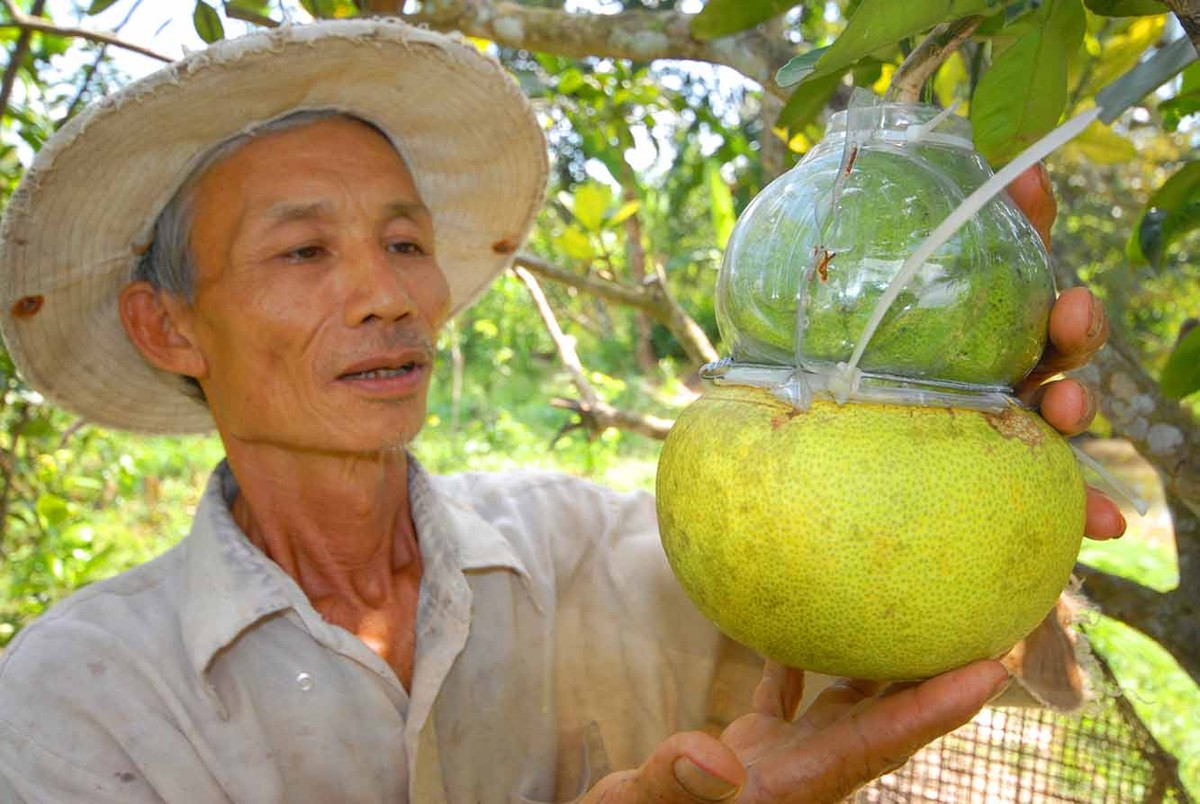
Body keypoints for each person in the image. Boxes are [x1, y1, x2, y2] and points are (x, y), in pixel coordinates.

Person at [0, 18, 1123, 804]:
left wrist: (957, 445)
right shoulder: (72, 703)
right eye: (303, 250)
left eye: (405, 243)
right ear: (167, 327)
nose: (390, 295)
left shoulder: (589, 544)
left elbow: (877, 611)